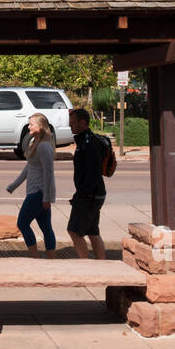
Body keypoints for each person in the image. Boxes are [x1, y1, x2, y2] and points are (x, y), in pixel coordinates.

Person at [6, 112, 57, 258]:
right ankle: (50, 259)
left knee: (22, 223)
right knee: (46, 227)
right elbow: (30, 167)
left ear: (40, 126)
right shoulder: (35, 143)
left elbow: (49, 173)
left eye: (31, 124)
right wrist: (14, 185)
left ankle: (35, 256)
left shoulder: (44, 147)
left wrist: (47, 198)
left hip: (39, 193)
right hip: (36, 193)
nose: (29, 126)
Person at [66, 108, 107, 259]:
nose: (70, 126)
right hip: (94, 194)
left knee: (74, 231)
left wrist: (84, 196)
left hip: (90, 195)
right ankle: (102, 266)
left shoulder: (89, 143)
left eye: (73, 123)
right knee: (92, 232)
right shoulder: (85, 140)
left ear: (82, 123)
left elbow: (93, 172)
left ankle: (86, 266)